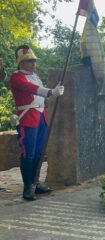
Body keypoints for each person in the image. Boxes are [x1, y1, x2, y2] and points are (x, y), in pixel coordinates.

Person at [10, 45, 64, 200]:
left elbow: (41, 96)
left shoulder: (36, 76)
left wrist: (52, 93)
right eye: (29, 61)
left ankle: (35, 183)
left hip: (41, 116)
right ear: (21, 62)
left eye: (34, 61)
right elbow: (32, 89)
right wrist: (50, 91)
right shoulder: (17, 76)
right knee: (29, 153)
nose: (33, 64)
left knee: (40, 152)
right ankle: (28, 188)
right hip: (28, 118)